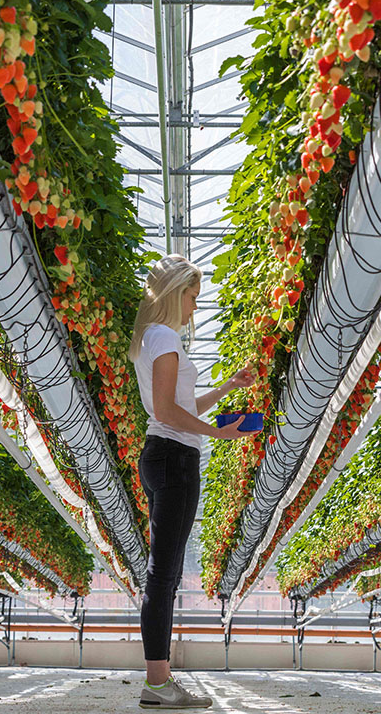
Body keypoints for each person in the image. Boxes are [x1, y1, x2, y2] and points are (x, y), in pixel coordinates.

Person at [128, 253, 260, 709]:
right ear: (173, 292)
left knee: (161, 573)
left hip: (161, 454)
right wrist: (218, 433)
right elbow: (168, 414)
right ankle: (158, 683)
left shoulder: (153, 339)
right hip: (175, 459)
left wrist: (226, 389)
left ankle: (159, 682)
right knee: (162, 575)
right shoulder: (164, 336)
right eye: (192, 296)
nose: (195, 307)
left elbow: (177, 406)